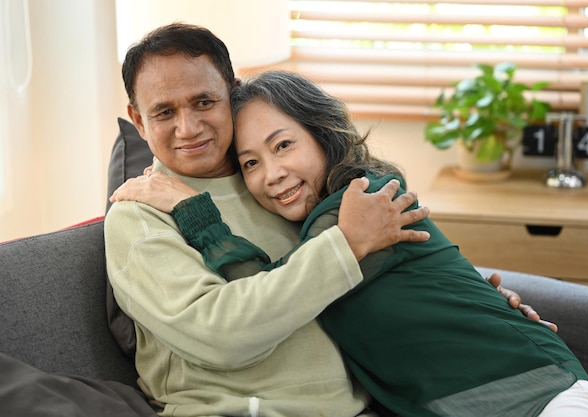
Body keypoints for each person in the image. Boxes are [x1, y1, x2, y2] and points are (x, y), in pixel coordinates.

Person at [111, 70, 588, 417]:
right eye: (250, 163)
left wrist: (190, 207)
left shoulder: (364, 203)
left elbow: (270, 288)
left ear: (322, 136)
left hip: (542, 394)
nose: (273, 174)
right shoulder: (315, 224)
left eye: (284, 145)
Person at [105, 22, 434, 417]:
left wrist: (471, 298)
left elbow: (382, 275)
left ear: (232, 94)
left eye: (204, 102)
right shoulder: (139, 217)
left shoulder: (276, 183)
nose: (188, 128)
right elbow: (220, 336)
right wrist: (345, 246)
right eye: (164, 112)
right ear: (139, 121)